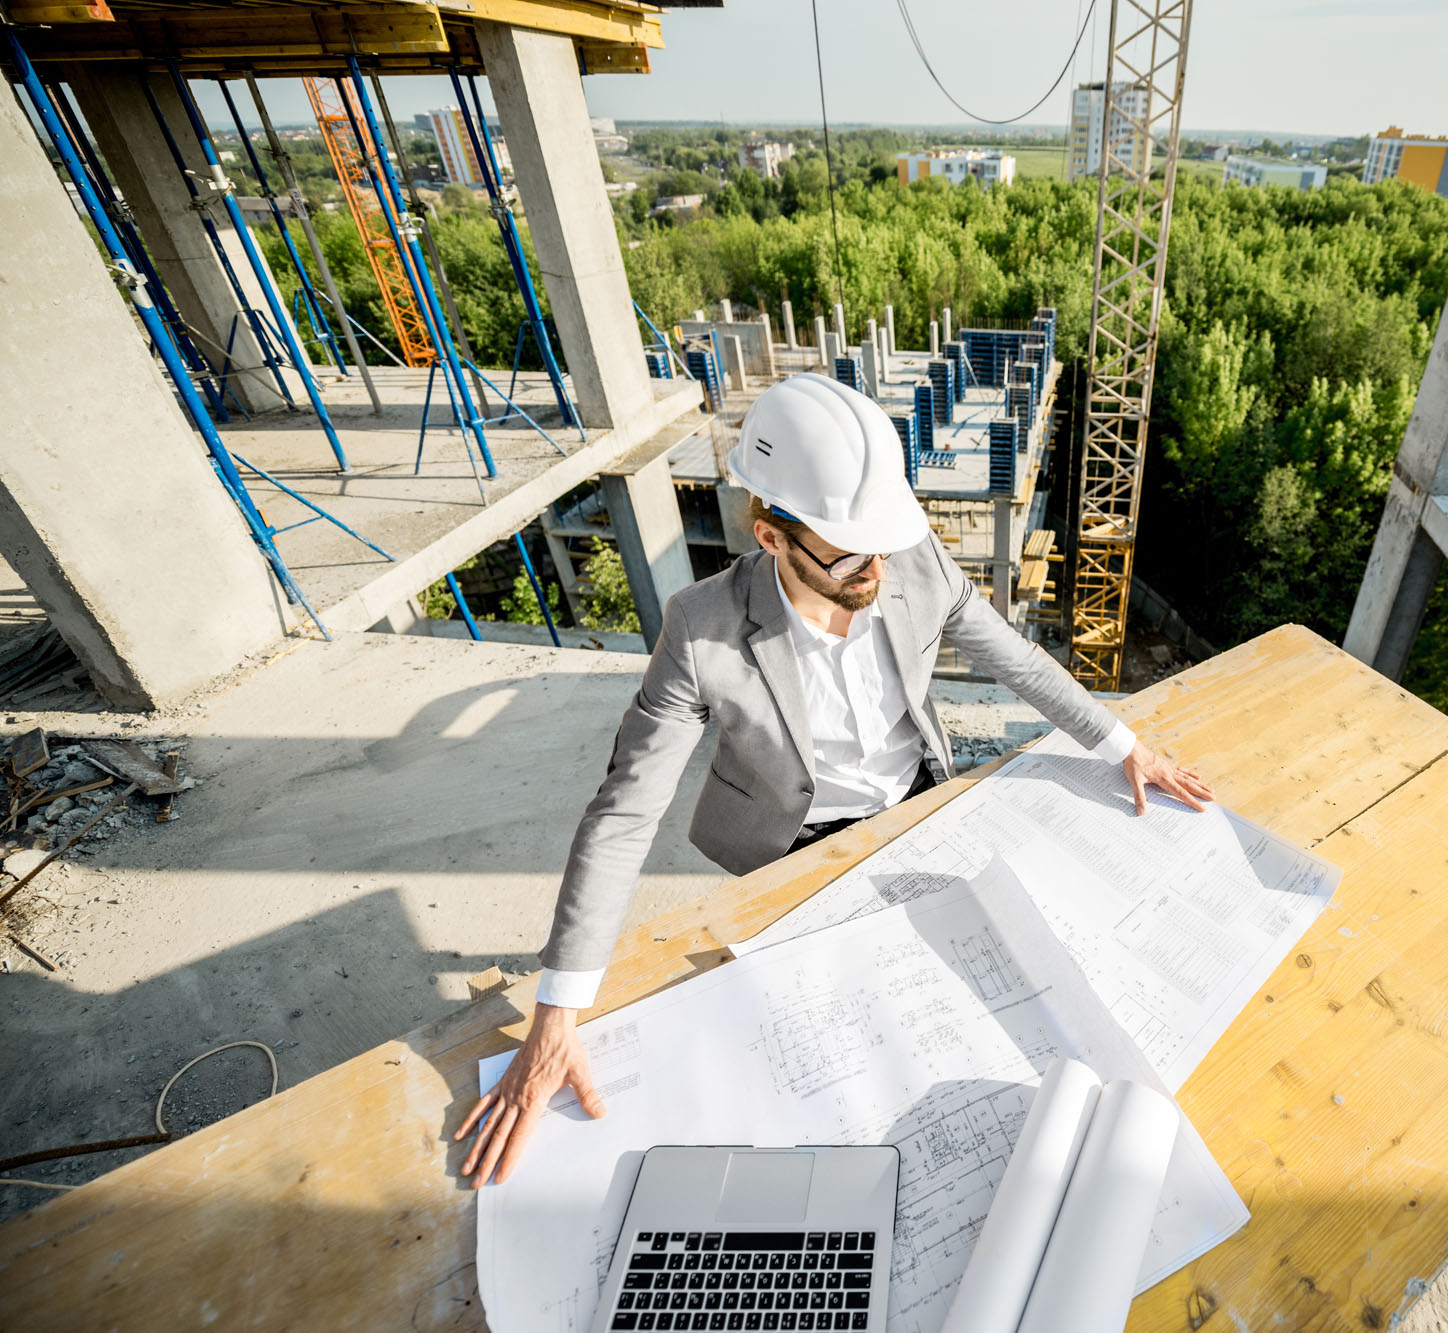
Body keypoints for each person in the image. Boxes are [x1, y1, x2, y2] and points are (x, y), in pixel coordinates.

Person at [455, 372, 1213, 1186]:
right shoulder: (702, 628)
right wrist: (557, 1011)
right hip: (791, 846)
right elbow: (624, 811)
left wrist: (1121, 742)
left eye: (881, 540)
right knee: (826, 1056)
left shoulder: (910, 563)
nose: (873, 567)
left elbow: (1018, 662)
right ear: (771, 534)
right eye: (848, 549)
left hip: (912, 807)